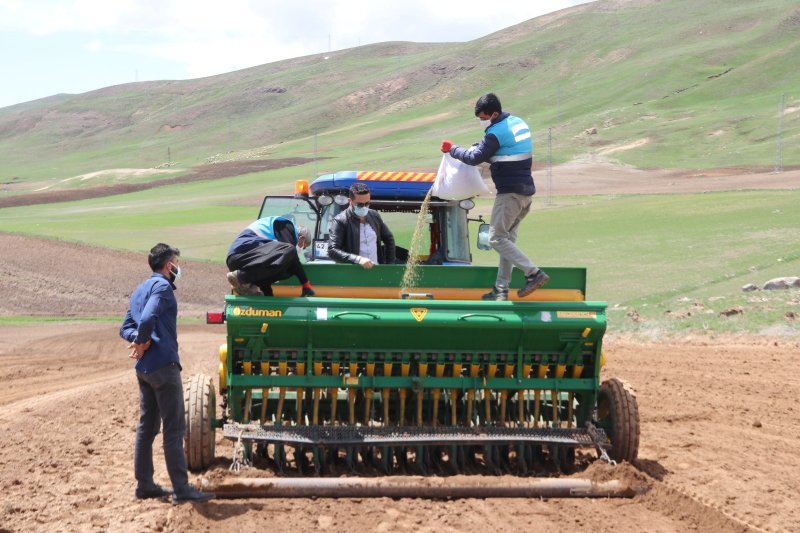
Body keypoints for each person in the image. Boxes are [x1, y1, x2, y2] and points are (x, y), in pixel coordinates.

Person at [119, 243, 215, 504]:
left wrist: (137, 341)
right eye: (175, 261)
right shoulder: (161, 287)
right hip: (164, 366)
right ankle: (182, 490)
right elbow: (147, 318)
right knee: (174, 429)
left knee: (146, 428)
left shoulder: (140, 289)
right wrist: (142, 339)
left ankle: (145, 485)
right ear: (167, 264)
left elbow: (124, 326)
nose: (177, 267)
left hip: (144, 369)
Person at [440, 92, 549, 300]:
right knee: (507, 241)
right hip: (525, 194)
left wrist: (453, 149)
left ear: (494, 114)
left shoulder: (496, 132)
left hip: (510, 194)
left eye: (483, 118)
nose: (481, 122)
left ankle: (533, 273)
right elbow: (507, 153)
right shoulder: (517, 123)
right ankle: (501, 290)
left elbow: (474, 158)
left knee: (496, 238)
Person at [226, 216, 315, 296]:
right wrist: (305, 283)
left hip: (246, 259)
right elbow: (293, 258)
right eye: (304, 247)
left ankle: (247, 283)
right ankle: (241, 277)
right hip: (240, 254)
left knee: (287, 269)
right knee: (290, 252)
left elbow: (268, 267)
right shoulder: (285, 225)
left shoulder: (275, 243)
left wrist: (268, 295)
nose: (302, 249)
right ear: (301, 238)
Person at [327, 182, 396, 268]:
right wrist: (358, 259)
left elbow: (389, 238)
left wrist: (389, 266)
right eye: (360, 204)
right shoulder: (340, 221)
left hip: (376, 272)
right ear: (350, 201)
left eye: (367, 203)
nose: (364, 207)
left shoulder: (374, 216)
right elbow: (332, 251)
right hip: (353, 274)